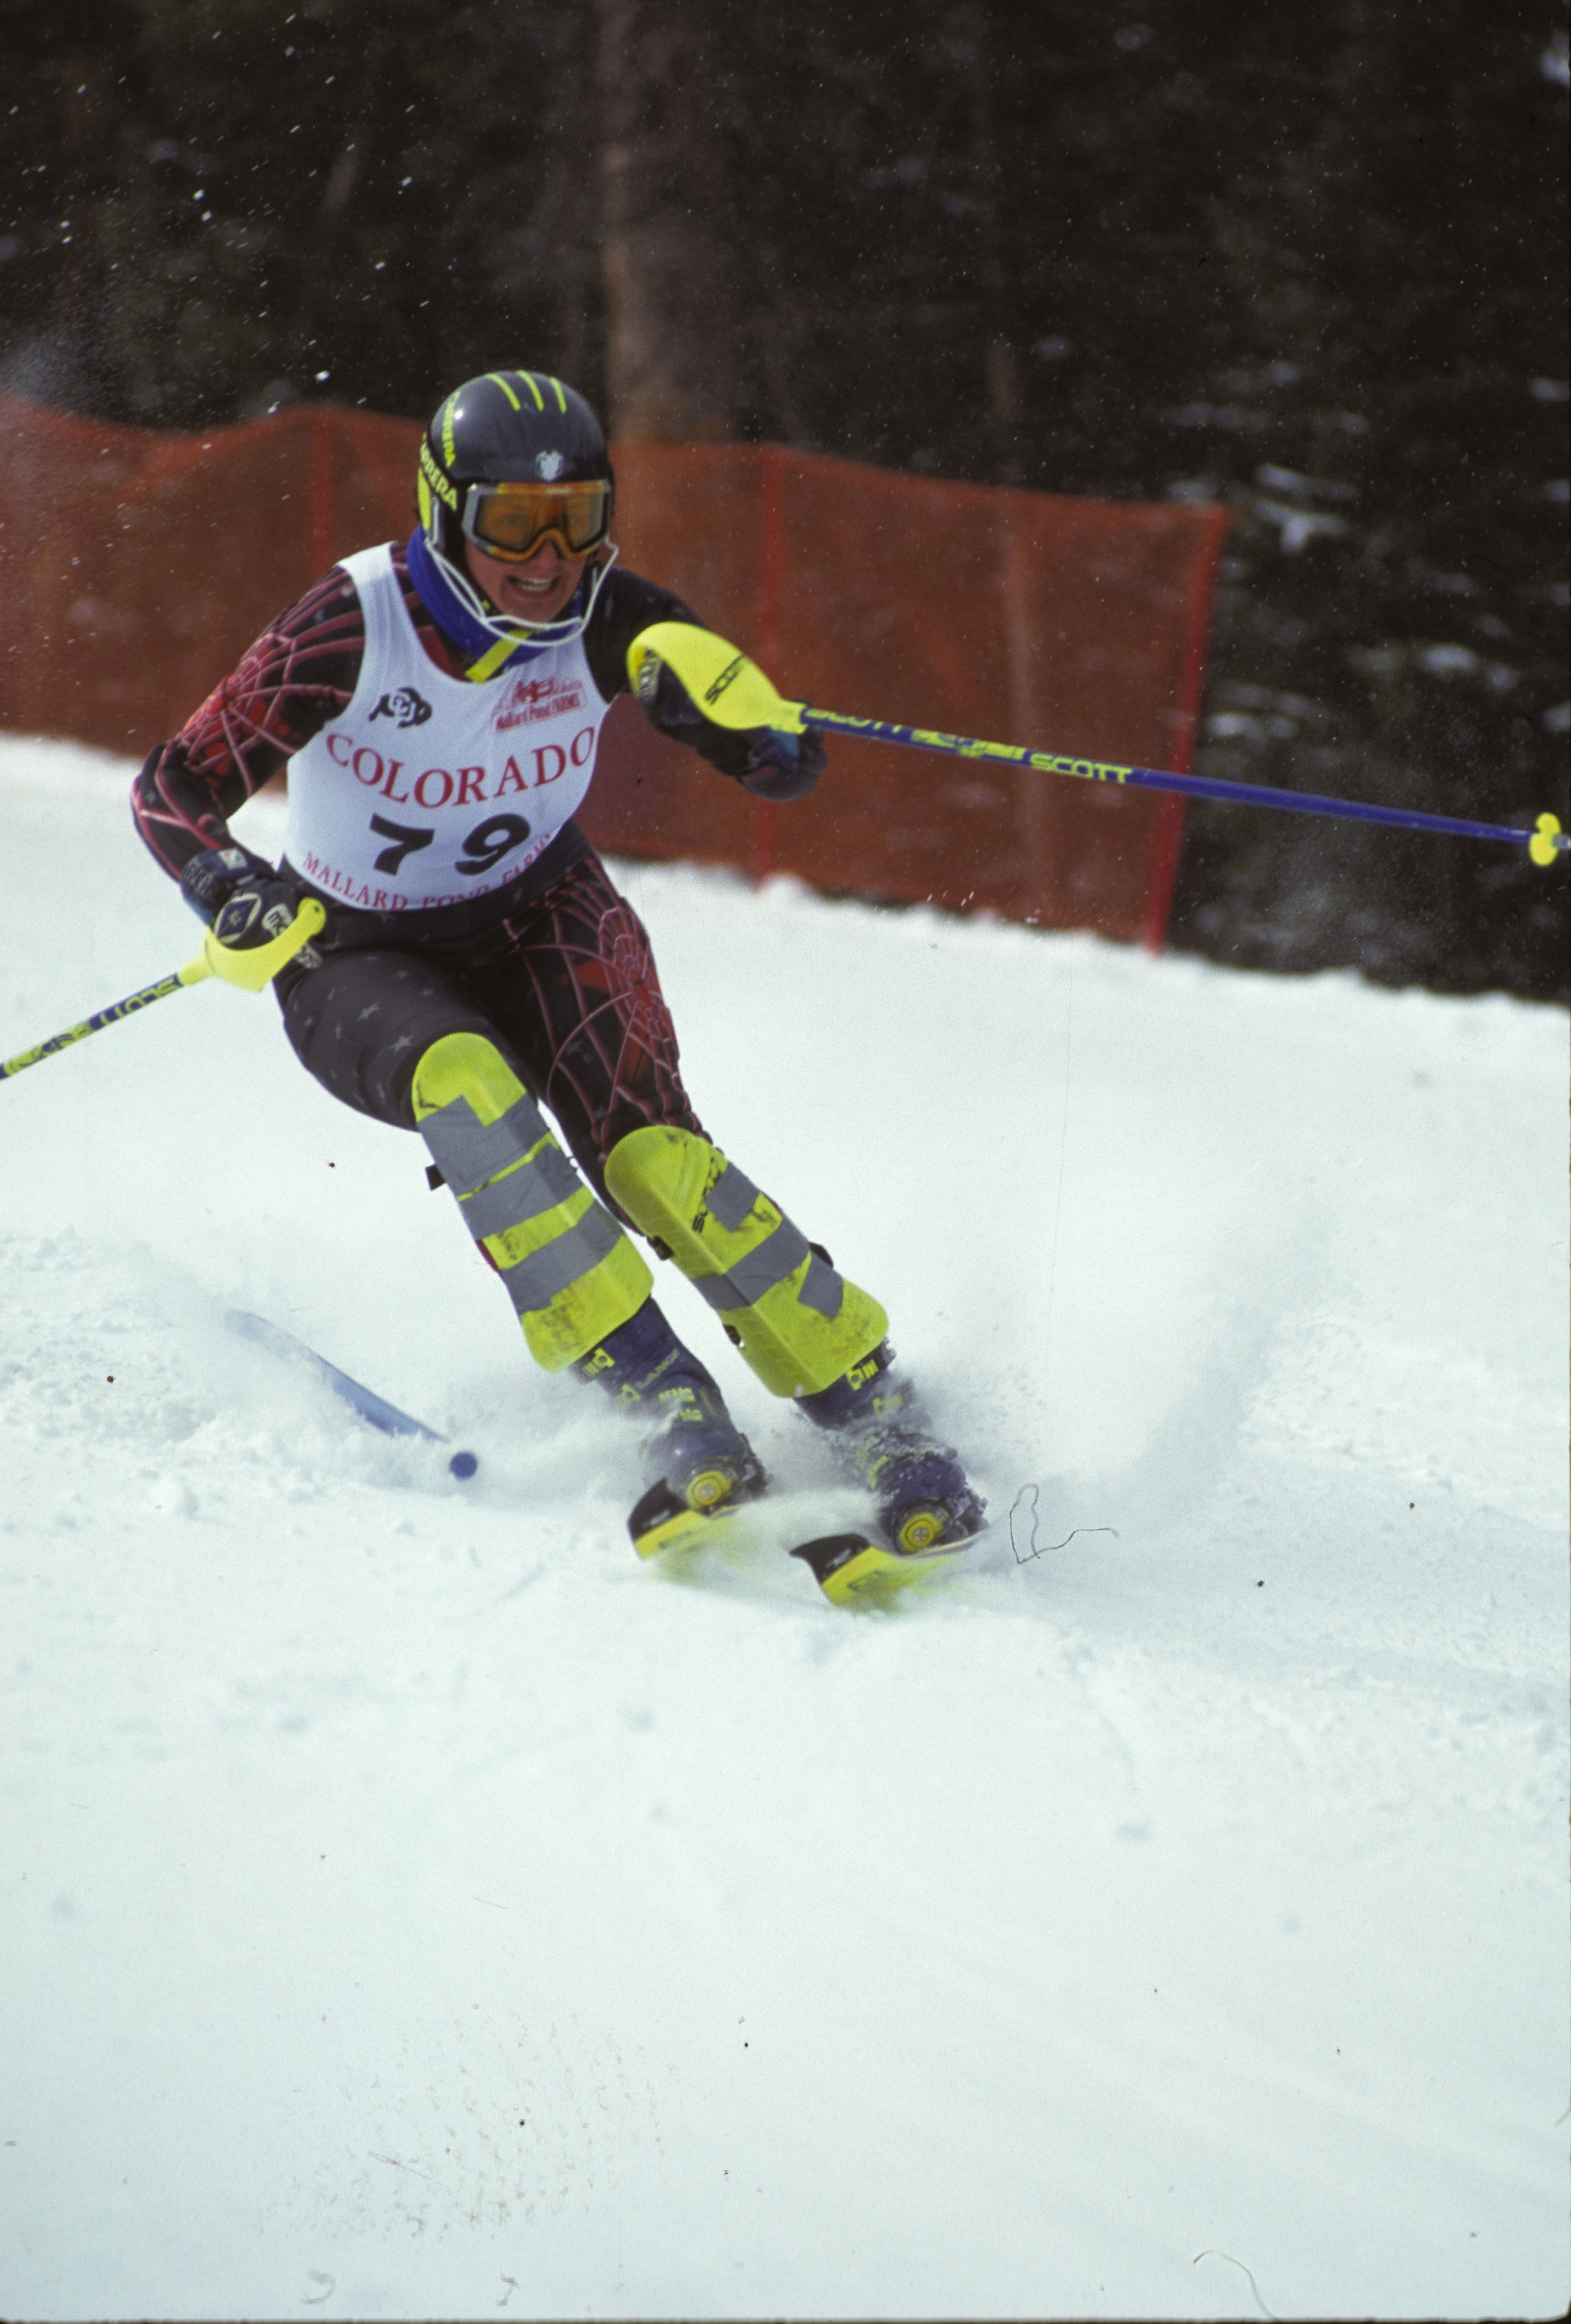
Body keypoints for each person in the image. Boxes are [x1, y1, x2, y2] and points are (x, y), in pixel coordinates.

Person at [133, 368, 982, 1560]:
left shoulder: (614, 617)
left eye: (578, 520)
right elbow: (172, 787)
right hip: (355, 949)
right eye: (514, 527)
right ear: (444, 513)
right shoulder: (349, 626)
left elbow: (734, 713)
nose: (548, 559)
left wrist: (760, 740)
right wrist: (225, 882)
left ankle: (876, 1407)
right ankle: (663, 1398)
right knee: (468, 1091)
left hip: (544, 915)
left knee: (656, 1160)